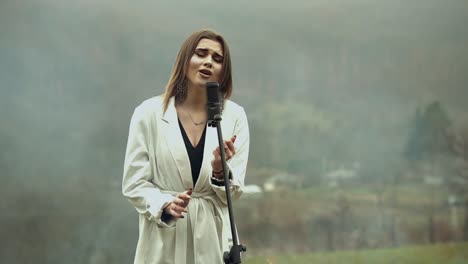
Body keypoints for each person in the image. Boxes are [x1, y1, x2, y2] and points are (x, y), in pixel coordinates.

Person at [122, 29, 250, 264]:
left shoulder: (234, 116)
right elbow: (134, 183)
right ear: (185, 60)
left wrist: (220, 171)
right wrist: (164, 205)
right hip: (164, 239)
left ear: (224, 71)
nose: (208, 62)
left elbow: (234, 193)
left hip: (214, 241)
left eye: (217, 58)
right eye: (201, 54)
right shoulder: (148, 114)